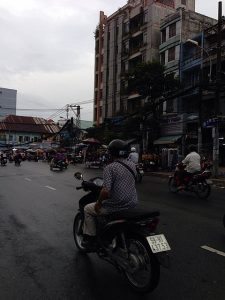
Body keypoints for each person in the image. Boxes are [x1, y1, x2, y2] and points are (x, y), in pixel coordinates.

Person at [82, 139, 138, 248]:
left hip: (116, 205)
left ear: (111, 152)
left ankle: (91, 238)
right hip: (132, 203)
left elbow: (106, 190)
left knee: (87, 209)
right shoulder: (132, 165)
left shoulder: (110, 168)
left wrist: (98, 203)